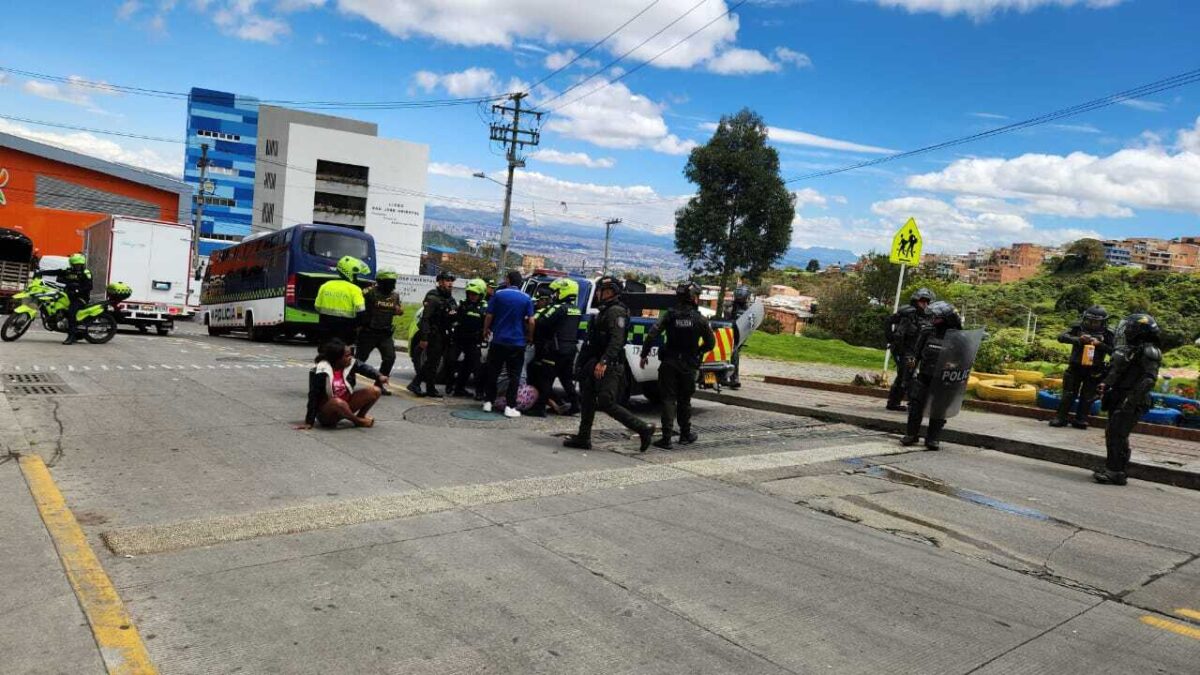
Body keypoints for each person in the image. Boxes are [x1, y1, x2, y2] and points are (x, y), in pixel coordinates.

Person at [563, 276, 656, 452]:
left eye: (601, 290)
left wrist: (604, 361)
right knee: (587, 400)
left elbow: (617, 340)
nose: (598, 294)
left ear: (611, 292)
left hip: (609, 364)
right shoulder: (604, 310)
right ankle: (583, 437)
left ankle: (643, 428)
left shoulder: (615, 312)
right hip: (594, 362)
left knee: (606, 402)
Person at [640, 281, 715, 449]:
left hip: (669, 363)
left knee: (667, 399)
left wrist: (644, 355)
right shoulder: (700, 319)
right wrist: (698, 351)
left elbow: (652, 334)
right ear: (693, 298)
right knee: (684, 400)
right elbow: (711, 343)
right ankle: (685, 435)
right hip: (688, 365)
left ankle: (666, 438)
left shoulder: (670, 315)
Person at [1095, 314, 1162, 486]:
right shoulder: (1130, 349)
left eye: (1131, 327)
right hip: (1119, 396)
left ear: (1141, 331)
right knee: (1113, 433)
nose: (1128, 330)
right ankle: (1115, 469)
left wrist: (1129, 401)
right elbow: (1117, 371)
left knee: (1117, 434)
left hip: (1133, 400)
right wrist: (1105, 384)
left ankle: (1115, 471)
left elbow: (1148, 379)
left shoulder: (1150, 351)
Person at [901, 300, 963, 451]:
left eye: (937, 317)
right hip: (924, 376)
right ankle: (911, 434)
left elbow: (963, 359)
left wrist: (954, 367)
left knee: (939, 408)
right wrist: (909, 369)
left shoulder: (957, 337)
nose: (934, 319)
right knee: (915, 405)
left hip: (943, 379)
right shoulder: (927, 331)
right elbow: (915, 353)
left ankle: (933, 438)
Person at [299, 338, 386, 430]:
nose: (351, 358)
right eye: (347, 355)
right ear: (336, 358)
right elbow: (313, 396)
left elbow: (364, 368)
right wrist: (309, 422)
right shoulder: (320, 371)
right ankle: (357, 421)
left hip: (346, 405)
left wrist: (379, 376)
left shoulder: (351, 364)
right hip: (328, 413)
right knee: (337, 402)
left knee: (375, 390)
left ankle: (361, 416)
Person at [527, 278, 584, 417]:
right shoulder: (576, 309)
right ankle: (575, 405)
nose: (554, 295)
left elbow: (541, 323)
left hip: (555, 349)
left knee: (546, 379)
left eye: (556, 292)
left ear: (564, 292)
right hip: (570, 349)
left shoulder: (558, 308)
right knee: (566, 380)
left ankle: (539, 409)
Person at [1051, 306, 1115, 429]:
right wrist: (1078, 339)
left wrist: (1100, 344)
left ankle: (1081, 419)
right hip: (1075, 366)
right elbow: (1061, 337)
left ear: (1103, 322)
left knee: (1087, 396)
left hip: (1094, 369)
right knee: (1068, 393)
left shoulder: (1108, 333)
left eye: (1095, 322)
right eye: (1089, 321)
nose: (1092, 324)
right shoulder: (1077, 327)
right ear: (1084, 318)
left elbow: (1114, 351)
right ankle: (1060, 417)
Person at [482, 270, 535, 418]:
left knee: (493, 371)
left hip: (498, 340)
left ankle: (488, 402)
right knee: (514, 375)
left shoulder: (498, 295)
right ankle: (510, 406)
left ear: (508, 280)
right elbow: (531, 321)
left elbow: (489, 315)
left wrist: (485, 330)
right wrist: (530, 336)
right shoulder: (526, 298)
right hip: (517, 343)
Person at [409, 271, 457, 398]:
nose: (450, 283)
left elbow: (453, 314)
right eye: (447, 280)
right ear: (440, 282)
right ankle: (415, 383)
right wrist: (424, 338)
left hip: (444, 334)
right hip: (433, 334)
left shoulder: (449, 298)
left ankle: (430, 388)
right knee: (431, 362)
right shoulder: (433, 297)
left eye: (451, 281)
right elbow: (425, 319)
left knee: (434, 363)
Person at [885, 288, 935, 411]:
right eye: (922, 301)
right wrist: (891, 339)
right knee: (909, 376)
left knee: (903, 375)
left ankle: (893, 403)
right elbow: (890, 324)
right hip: (905, 351)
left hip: (915, 351)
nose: (925, 304)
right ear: (916, 301)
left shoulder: (927, 316)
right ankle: (914, 404)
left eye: (927, 302)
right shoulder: (908, 314)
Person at [356, 269, 403, 396]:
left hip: (385, 334)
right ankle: (349, 381)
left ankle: (379, 385)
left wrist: (396, 309)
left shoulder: (395, 296)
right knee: (359, 360)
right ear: (380, 282)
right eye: (388, 282)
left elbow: (399, 310)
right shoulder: (369, 293)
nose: (391, 285)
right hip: (368, 333)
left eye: (393, 282)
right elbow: (359, 308)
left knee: (390, 358)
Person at [444, 278, 487, 397]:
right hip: (459, 338)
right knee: (450, 361)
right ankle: (450, 384)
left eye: (475, 294)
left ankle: (477, 392)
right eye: (470, 293)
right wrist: (451, 315)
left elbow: (489, 323)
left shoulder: (485, 307)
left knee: (474, 366)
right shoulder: (461, 304)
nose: (472, 296)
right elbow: (452, 317)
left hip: (474, 341)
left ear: (481, 295)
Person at [314, 256, 369, 347]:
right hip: (346, 330)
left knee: (324, 354)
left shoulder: (325, 285)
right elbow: (361, 311)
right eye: (355, 275)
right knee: (345, 355)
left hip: (325, 327)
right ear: (350, 274)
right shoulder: (355, 289)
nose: (356, 277)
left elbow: (317, 307)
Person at [42, 253, 93, 345]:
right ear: (71, 264)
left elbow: (89, 286)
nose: (77, 267)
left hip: (80, 298)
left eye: (79, 265)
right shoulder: (68, 271)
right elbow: (57, 272)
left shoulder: (86, 273)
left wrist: (77, 291)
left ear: (82, 264)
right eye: (75, 265)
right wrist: (41, 272)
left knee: (71, 313)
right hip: (67, 296)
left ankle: (71, 336)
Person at [726, 286, 750, 389]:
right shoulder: (731, 307)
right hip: (729, 334)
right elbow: (727, 319)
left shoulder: (748, 309)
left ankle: (732, 378)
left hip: (740, 335)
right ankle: (733, 379)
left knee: (733, 355)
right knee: (733, 355)